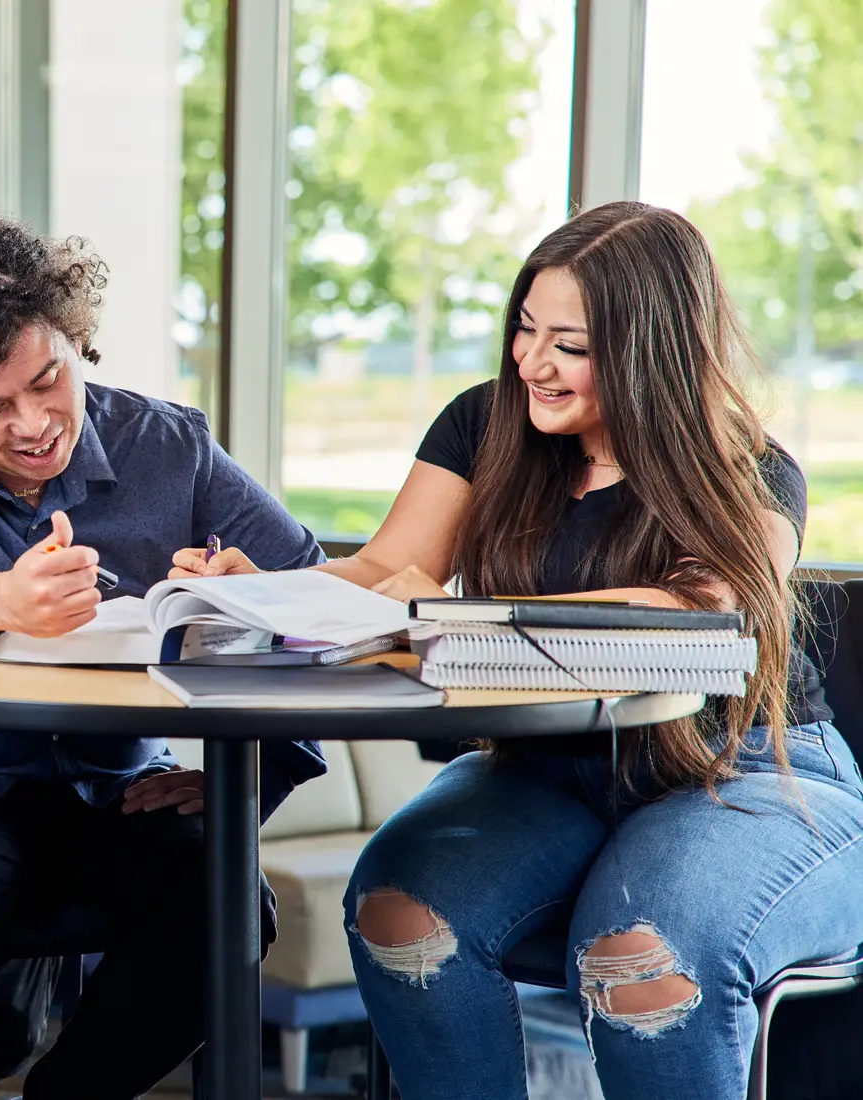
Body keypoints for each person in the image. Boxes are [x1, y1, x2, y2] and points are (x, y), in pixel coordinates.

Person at [169, 201, 863, 1099]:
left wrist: (480, 613)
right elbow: (390, 567)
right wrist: (255, 591)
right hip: (545, 771)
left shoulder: (752, 469)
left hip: (741, 774)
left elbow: (698, 604)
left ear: (649, 348)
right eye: (525, 330)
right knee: (398, 913)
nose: (532, 363)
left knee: (638, 957)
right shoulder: (484, 425)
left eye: (569, 345)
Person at [0, 214, 327, 1100]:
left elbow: (324, 597)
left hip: (108, 789)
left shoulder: (169, 448)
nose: (32, 425)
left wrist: (261, 740)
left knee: (230, 910)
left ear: (75, 338)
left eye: (48, 380)